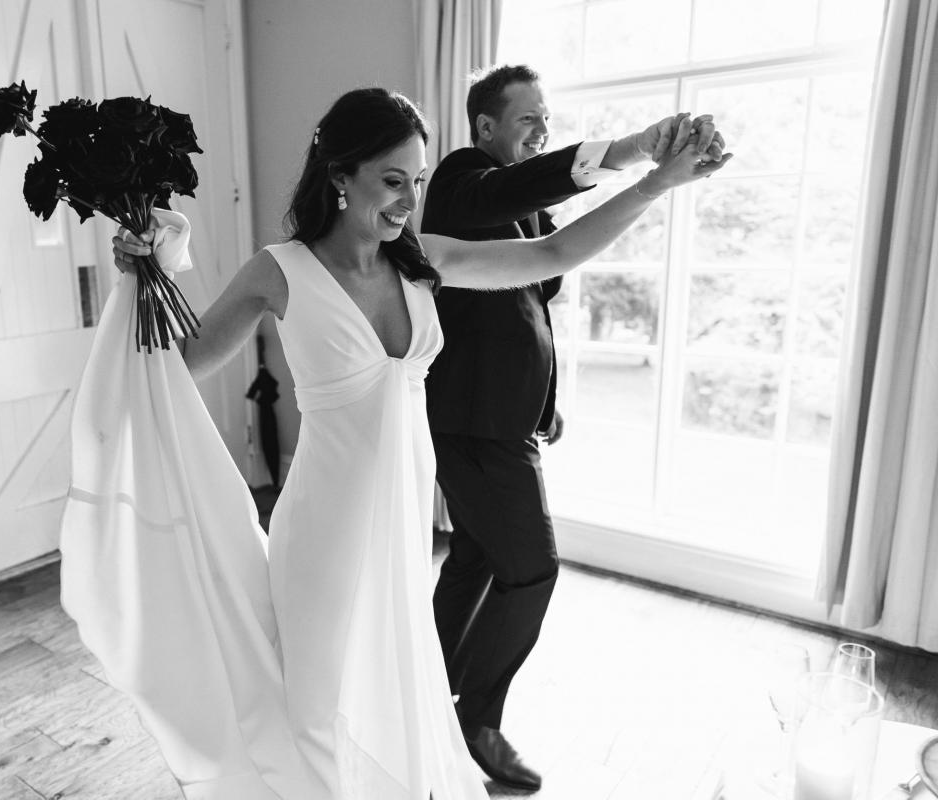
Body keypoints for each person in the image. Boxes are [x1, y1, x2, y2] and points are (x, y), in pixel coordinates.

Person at [102, 88, 728, 798]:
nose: (408, 200)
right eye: (392, 180)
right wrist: (154, 266)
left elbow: (554, 250)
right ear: (339, 175)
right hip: (326, 535)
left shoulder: (423, 262)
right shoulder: (280, 271)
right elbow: (179, 362)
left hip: (400, 532)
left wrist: (656, 183)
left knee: (385, 697)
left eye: (418, 181)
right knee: (318, 711)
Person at [422, 65, 726, 790]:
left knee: (473, 557)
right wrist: (633, 155)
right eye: (527, 119)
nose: (541, 130)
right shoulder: (466, 179)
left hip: (500, 414)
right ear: (486, 126)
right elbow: (522, 204)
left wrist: (543, 396)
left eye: (546, 117)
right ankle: (475, 721)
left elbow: (533, 287)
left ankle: (425, 687)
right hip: (474, 421)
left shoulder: (513, 196)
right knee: (532, 570)